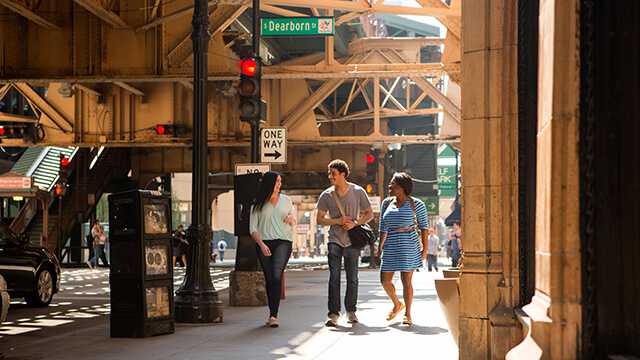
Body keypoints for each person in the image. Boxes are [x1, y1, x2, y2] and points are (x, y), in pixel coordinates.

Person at [316, 159, 373, 326]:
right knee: (334, 277)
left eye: (333, 174)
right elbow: (320, 219)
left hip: (352, 241)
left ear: (343, 175)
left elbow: (369, 214)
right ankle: (333, 314)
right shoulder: (326, 195)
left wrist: (356, 223)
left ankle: (351, 311)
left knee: (352, 278)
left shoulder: (358, 191)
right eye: (329, 174)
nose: (330, 177)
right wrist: (336, 221)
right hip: (334, 239)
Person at [377, 172, 429, 325]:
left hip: (409, 244)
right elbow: (382, 226)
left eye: (392, 183)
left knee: (406, 280)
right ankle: (397, 305)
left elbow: (424, 227)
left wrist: (424, 250)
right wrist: (380, 247)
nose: (389, 186)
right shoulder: (386, 203)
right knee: (385, 281)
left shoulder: (416, 204)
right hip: (391, 244)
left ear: (401, 186)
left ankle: (408, 314)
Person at [249, 171, 296, 327]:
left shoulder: (286, 200)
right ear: (270, 183)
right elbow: (252, 228)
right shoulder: (258, 202)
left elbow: (293, 221)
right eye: (277, 181)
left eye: (280, 181)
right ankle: (272, 313)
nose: (280, 184)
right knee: (269, 279)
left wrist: (291, 220)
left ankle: (273, 316)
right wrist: (262, 245)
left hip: (284, 241)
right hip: (264, 243)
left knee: (276, 276)